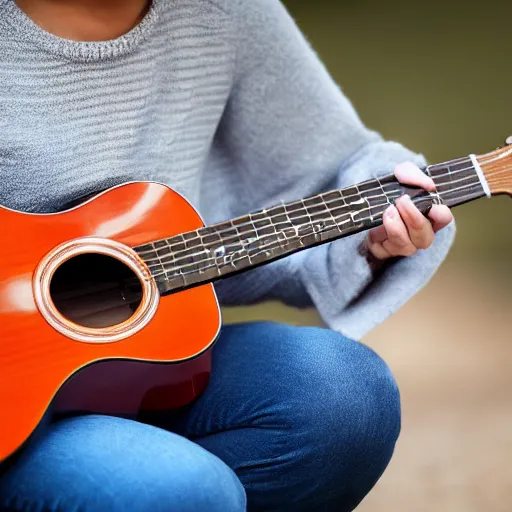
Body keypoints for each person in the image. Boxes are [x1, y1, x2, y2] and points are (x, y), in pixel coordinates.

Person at [0, 0, 454, 510]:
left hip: (145, 365)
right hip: (13, 419)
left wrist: (378, 231)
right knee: (188, 490)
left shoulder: (226, 11)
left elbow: (336, 160)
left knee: (347, 397)